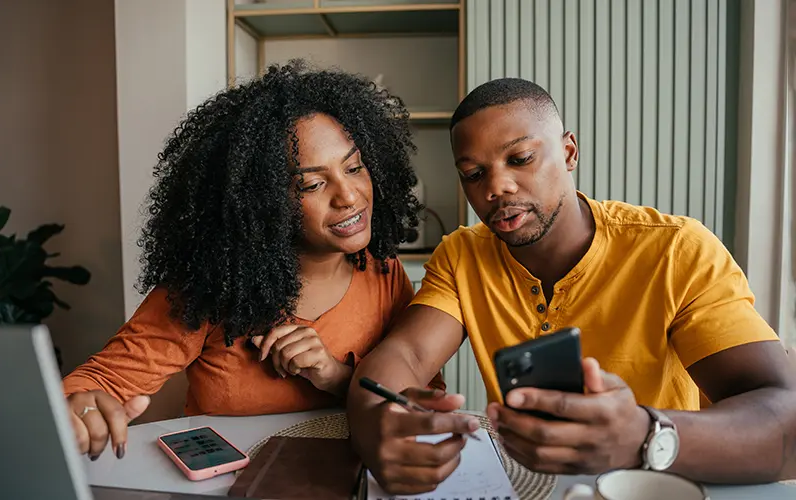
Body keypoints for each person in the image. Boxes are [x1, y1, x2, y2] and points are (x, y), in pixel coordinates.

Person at [347, 77, 796, 495]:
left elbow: (787, 422)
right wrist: (379, 428)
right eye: (473, 174)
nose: (497, 187)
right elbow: (402, 356)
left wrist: (642, 435)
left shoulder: (677, 250)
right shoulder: (462, 255)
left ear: (569, 152)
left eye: (520, 159)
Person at [62, 61, 442, 462]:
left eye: (354, 167)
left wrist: (335, 376)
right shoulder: (210, 285)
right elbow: (99, 381)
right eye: (312, 184)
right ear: (262, 202)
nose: (349, 196)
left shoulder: (383, 271)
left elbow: (425, 399)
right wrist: (81, 408)